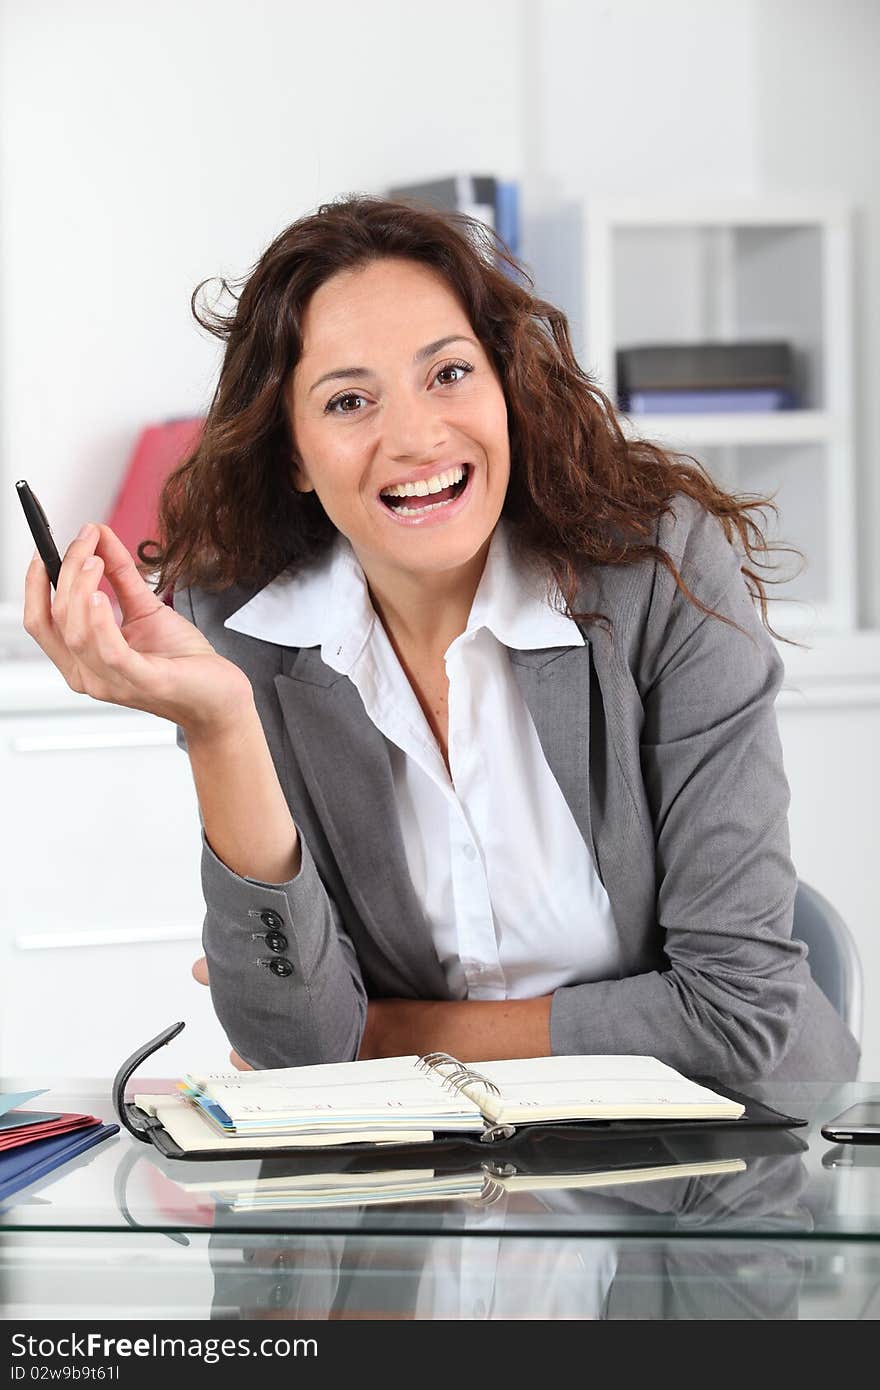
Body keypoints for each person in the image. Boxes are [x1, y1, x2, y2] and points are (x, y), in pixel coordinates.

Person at [23, 195, 858, 1083]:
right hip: (421, 1181)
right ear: (294, 454)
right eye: (349, 400)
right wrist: (225, 725)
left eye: (449, 373)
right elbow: (296, 1046)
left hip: (733, 1163)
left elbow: (736, 1013)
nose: (416, 437)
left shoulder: (660, 571)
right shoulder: (244, 632)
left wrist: (383, 1036)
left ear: (508, 389)